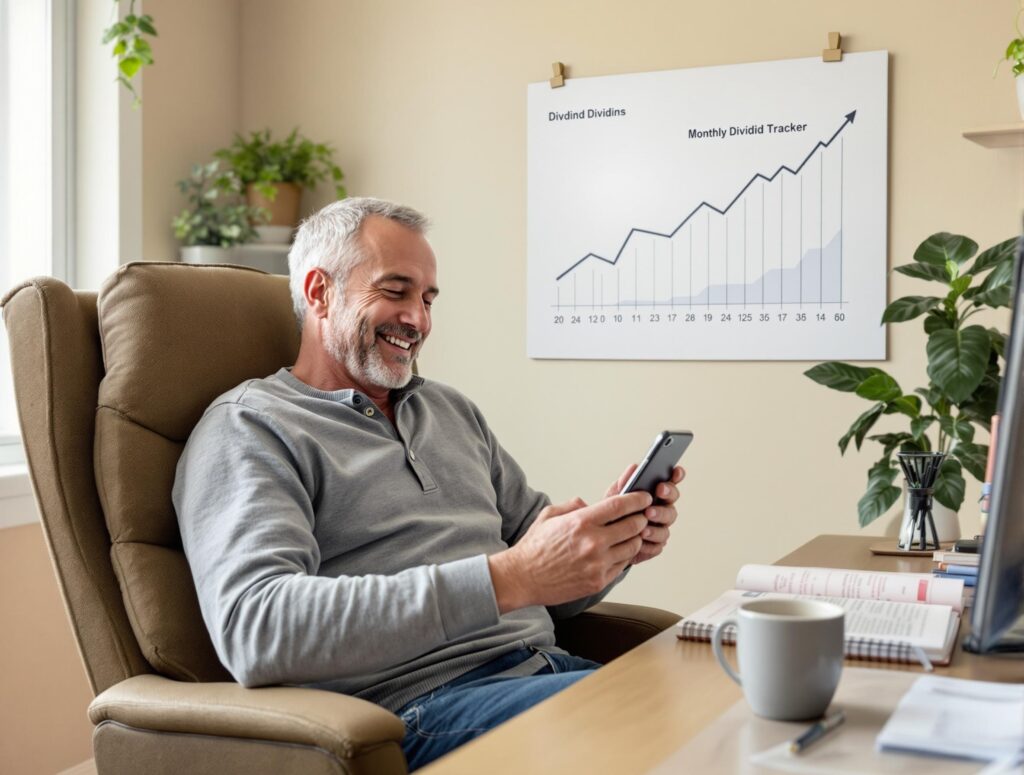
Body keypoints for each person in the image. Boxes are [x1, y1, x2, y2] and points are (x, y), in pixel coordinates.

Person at [172, 197, 684, 770]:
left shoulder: (448, 411)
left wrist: (615, 545)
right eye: (396, 291)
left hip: (549, 671)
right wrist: (510, 576)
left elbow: (547, 584)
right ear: (319, 292)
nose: (418, 319)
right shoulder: (251, 427)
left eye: (428, 298)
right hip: (425, 708)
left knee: (734, 699)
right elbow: (257, 626)